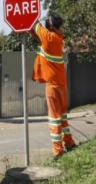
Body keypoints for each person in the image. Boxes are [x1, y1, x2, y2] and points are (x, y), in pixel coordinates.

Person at [29, 13, 76, 159]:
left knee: (54, 119)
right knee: (62, 117)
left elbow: (33, 23)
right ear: (54, 28)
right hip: (62, 85)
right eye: (60, 26)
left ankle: (58, 151)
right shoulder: (57, 38)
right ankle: (69, 143)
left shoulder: (48, 37)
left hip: (53, 87)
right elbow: (36, 31)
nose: (62, 29)